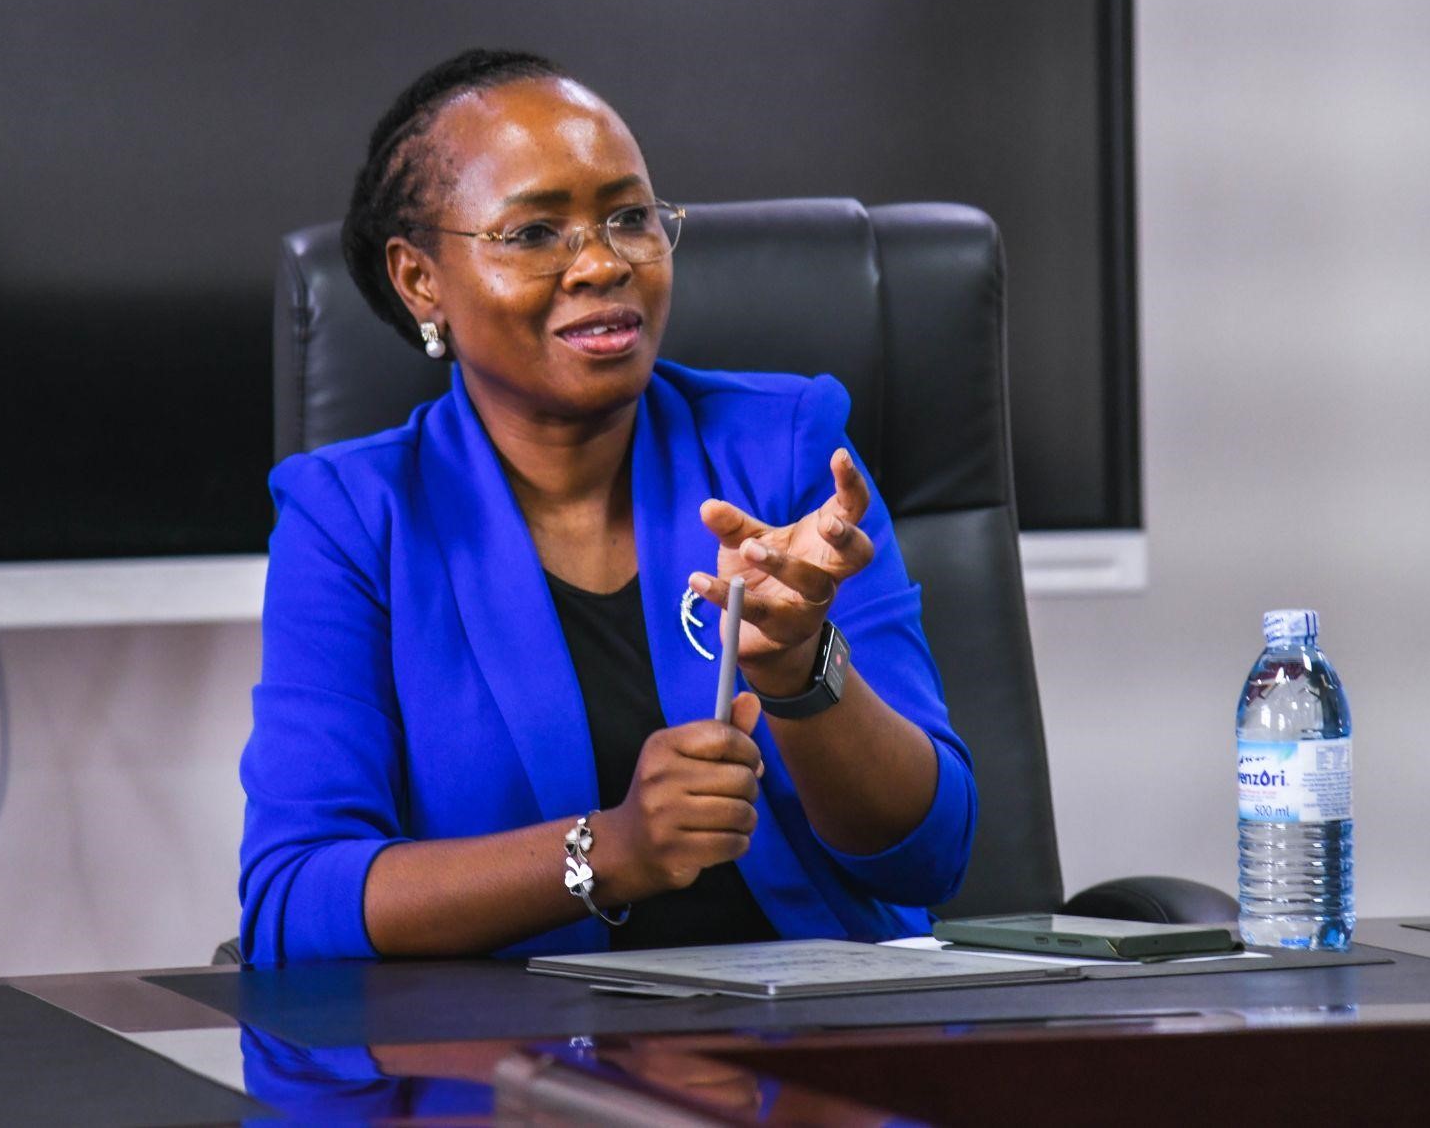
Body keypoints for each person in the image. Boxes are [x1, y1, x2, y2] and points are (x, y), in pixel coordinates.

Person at [238, 50, 975, 962]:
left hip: (822, 1052)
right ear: (421, 279)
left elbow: (933, 856)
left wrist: (802, 673)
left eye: (630, 218)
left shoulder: (785, 445)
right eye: (536, 232)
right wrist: (607, 852)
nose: (601, 262)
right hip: (516, 1081)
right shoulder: (354, 517)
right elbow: (291, 904)